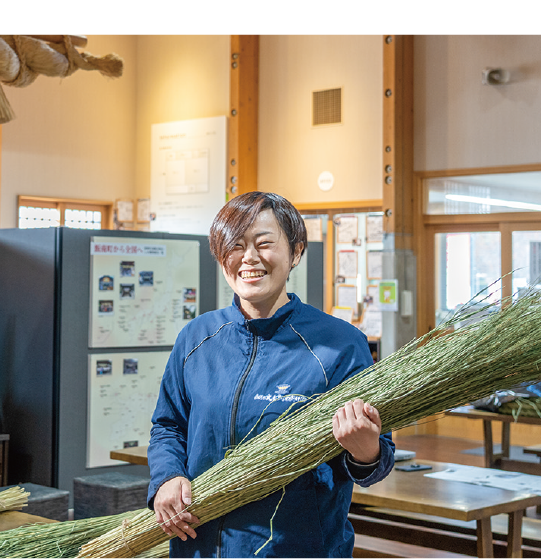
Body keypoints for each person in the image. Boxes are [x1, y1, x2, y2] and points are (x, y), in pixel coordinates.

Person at [147, 191, 395, 558]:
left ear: (295, 252)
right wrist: (167, 478)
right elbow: (168, 425)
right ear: (220, 255)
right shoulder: (196, 339)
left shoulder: (339, 345)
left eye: (264, 244)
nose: (248, 258)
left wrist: (365, 452)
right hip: (198, 547)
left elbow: (377, 461)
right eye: (235, 245)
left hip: (296, 549)